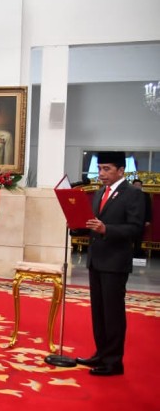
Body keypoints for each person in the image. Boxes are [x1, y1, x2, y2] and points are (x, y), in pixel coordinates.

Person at [77, 151, 145, 376]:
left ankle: (114, 361)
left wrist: (107, 229)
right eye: (100, 169)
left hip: (115, 262)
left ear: (121, 171)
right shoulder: (99, 193)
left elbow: (135, 229)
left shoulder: (132, 194)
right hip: (96, 260)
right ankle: (100, 354)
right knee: (98, 312)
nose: (102, 174)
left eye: (107, 169)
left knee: (113, 313)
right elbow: (92, 223)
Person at [131, 179, 152, 260]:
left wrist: (148, 220)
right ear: (132, 186)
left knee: (139, 238)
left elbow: (148, 208)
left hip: (141, 220)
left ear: (141, 186)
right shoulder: (128, 195)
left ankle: (137, 254)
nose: (137, 186)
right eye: (135, 185)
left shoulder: (146, 195)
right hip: (130, 220)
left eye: (139, 185)